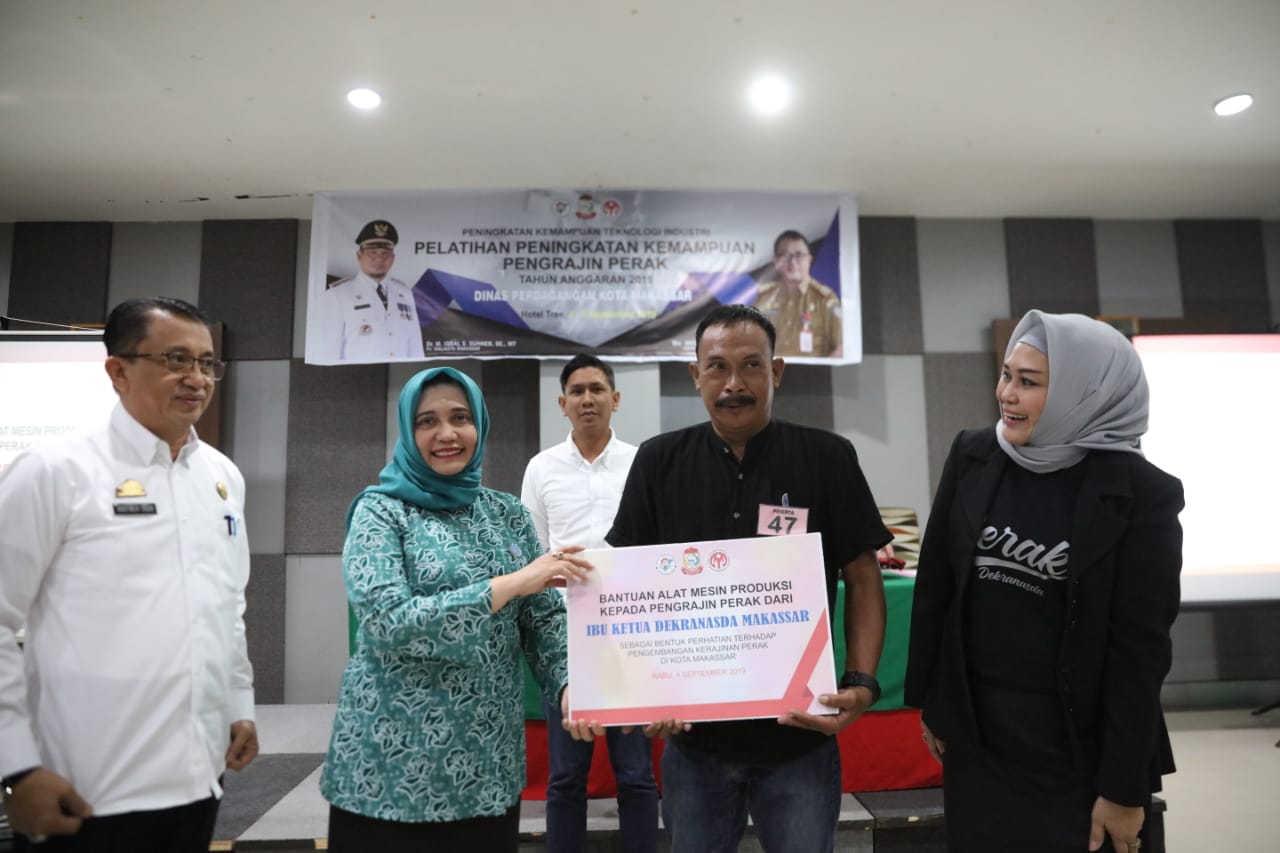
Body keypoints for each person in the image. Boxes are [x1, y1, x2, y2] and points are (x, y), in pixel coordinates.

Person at [596, 304, 891, 853]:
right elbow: (626, 586)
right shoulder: (659, 462)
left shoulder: (827, 457)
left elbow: (863, 574)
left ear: (776, 371)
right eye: (717, 367)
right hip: (694, 746)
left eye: (751, 365)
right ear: (696, 375)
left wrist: (862, 682)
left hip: (799, 740)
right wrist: (641, 694)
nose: (734, 384)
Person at [904, 310, 1184, 853]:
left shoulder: (1143, 494)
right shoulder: (974, 454)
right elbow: (937, 586)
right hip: (979, 740)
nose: (1006, 394)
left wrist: (1123, 788)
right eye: (1006, 375)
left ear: (1086, 392)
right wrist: (934, 703)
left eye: (1028, 382)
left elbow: (1140, 650)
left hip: (1079, 749)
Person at [0, 296, 258, 852]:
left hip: (199, 779)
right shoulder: (56, 470)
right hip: (85, 788)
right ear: (118, 371)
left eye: (206, 362)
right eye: (175, 359)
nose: (196, 378)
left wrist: (238, 705)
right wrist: (15, 767)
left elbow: (227, 604)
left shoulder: (221, 477)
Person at [320, 366, 592, 852]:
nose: (446, 433)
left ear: (479, 425)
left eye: (460, 417)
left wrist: (570, 683)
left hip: (487, 769)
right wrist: (508, 585)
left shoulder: (507, 513)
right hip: (388, 771)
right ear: (408, 431)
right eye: (427, 421)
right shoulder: (380, 511)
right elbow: (387, 622)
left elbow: (544, 619)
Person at [520, 354, 659, 853]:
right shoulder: (541, 468)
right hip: (566, 636)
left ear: (615, 399)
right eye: (577, 391)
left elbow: (656, 545)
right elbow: (532, 554)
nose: (587, 399)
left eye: (597, 389)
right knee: (565, 777)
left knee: (636, 774)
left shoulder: (642, 462)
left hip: (630, 632)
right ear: (562, 404)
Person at [317, 219, 426, 362]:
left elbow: (415, 345)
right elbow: (328, 352)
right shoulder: (337, 295)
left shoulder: (405, 293)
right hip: (359, 373)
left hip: (399, 372)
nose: (379, 259)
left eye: (385, 254)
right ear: (359, 256)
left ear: (393, 258)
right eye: (372, 253)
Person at [752, 230, 842, 358]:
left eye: (799, 255)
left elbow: (841, 347)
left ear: (809, 259)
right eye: (785, 256)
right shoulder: (764, 296)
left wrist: (820, 367)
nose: (793, 262)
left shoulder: (825, 299)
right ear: (776, 261)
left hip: (811, 370)